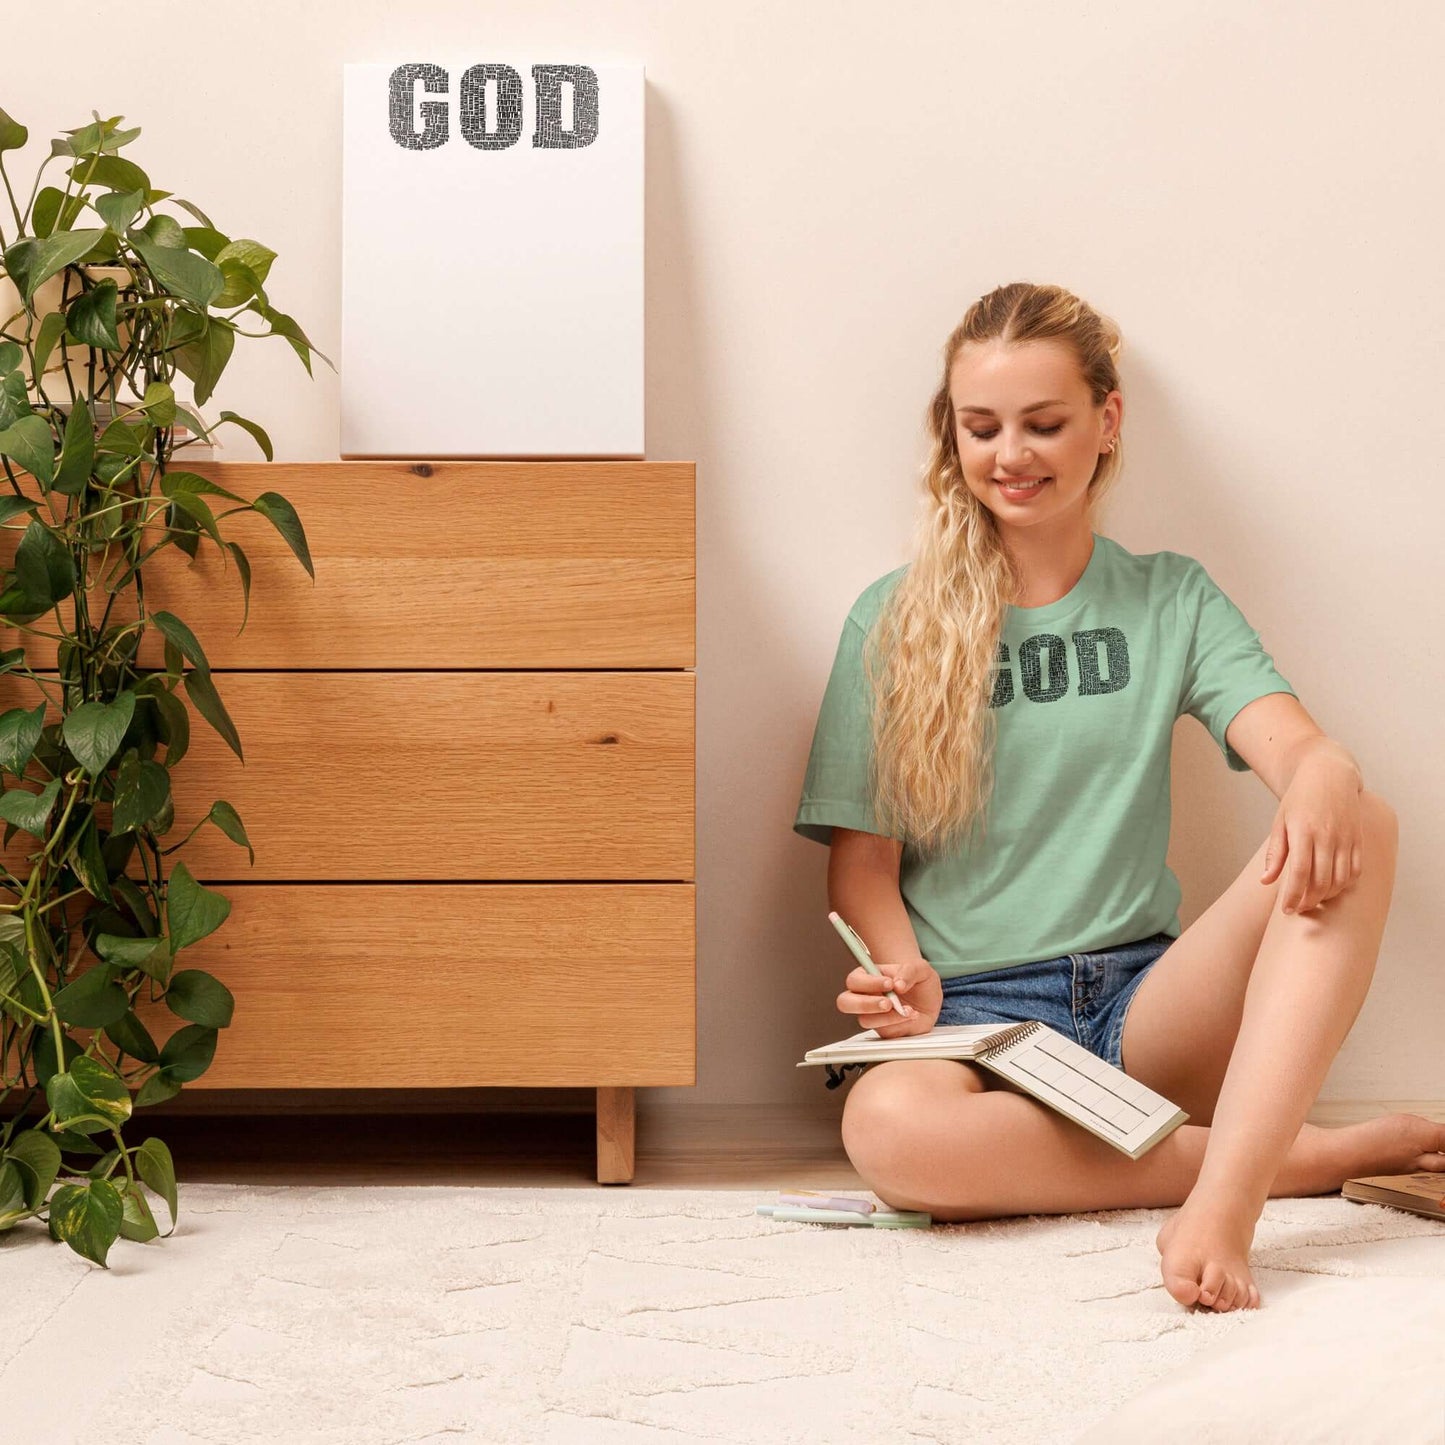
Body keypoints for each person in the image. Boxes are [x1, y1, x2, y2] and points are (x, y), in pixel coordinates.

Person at [792, 281, 1442, 1314]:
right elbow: (861, 862)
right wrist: (899, 967)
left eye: (1043, 423)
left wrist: (1320, 768)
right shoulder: (890, 618)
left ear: (1106, 420)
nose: (1011, 453)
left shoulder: (1167, 596)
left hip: (1144, 1012)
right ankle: (1292, 1157)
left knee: (1359, 818)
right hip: (971, 1025)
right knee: (887, 1133)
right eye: (981, 426)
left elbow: (1290, 743)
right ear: (949, 435)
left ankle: (1223, 1199)